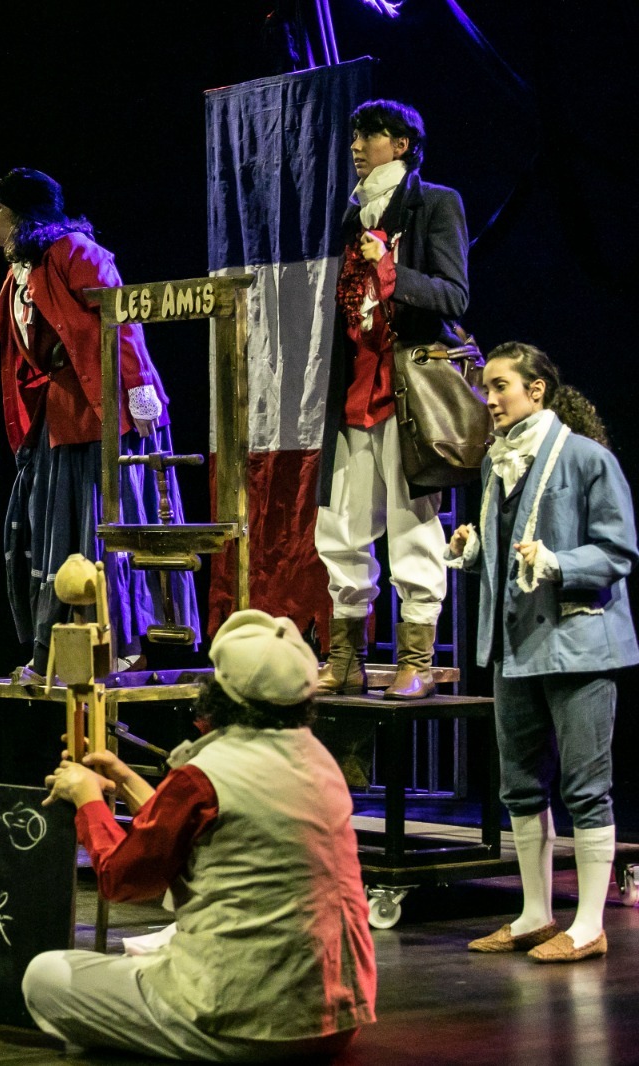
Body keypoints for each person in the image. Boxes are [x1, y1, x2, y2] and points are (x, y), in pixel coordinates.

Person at [0, 168, 195, 681]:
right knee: (55, 534)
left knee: (105, 528)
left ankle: (122, 644)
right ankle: (60, 649)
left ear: (20, 214)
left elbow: (122, 321)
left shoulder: (75, 253)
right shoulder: (22, 271)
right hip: (60, 418)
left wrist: (138, 392)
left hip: (103, 414)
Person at [24, 609, 376, 1060]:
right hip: (336, 1022)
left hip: (247, 1027)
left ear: (222, 695)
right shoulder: (319, 761)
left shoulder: (206, 774)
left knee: (47, 976)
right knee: (165, 943)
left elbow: (123, 879)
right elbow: (198, 830)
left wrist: (87, 799)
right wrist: (123, 777)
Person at [447, 343, 638, 963]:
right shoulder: (495, 462)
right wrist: (474, 551)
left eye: (499, 386)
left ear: (537, 390)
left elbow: (618, 551)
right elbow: (509, 554)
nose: (489, 399)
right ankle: (534, 914)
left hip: (578, 645)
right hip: (516, 647)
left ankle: (588, 925)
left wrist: (560, 562)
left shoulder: (586, 459)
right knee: (521, 786)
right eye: (486, 388)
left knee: (586, 787)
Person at [316, 99, 470, 699]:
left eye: (370, 135)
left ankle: (416, 662)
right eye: (356, 135)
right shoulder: (352, 216)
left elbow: (454, 295)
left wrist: (391, 270)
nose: (357, 145)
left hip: (408, 392)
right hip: (355, 390)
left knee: (412, 527)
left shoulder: (436, 203)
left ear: (401, 144)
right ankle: (345, 659)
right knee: (342, 527)